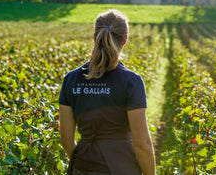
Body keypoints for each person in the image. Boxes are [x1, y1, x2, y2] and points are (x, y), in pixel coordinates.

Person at [59, 9, 156, 175]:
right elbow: (142, 144)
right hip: (121, 167)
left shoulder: (71, 79)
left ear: (94, 36)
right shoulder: (131, 81)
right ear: (125, 40)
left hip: (81, 166)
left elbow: (66, 140)